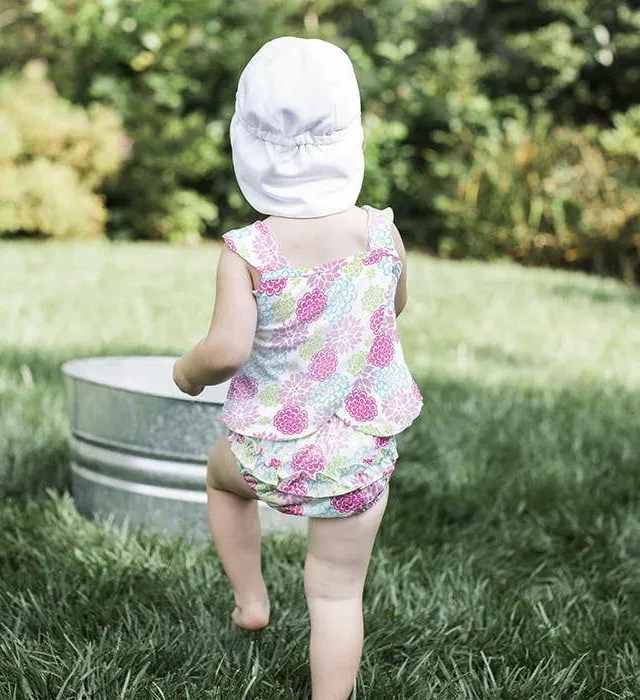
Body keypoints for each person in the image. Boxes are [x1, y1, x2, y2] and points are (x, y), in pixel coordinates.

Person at [173, 36, 423, 700]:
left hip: (272, 453)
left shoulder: (249, 250)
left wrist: (187, 373)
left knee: (222, 482)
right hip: (359, 455)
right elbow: (395, 304)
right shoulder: (381, 232)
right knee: (337, 593)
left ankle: (251, 599)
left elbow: (225, 351)